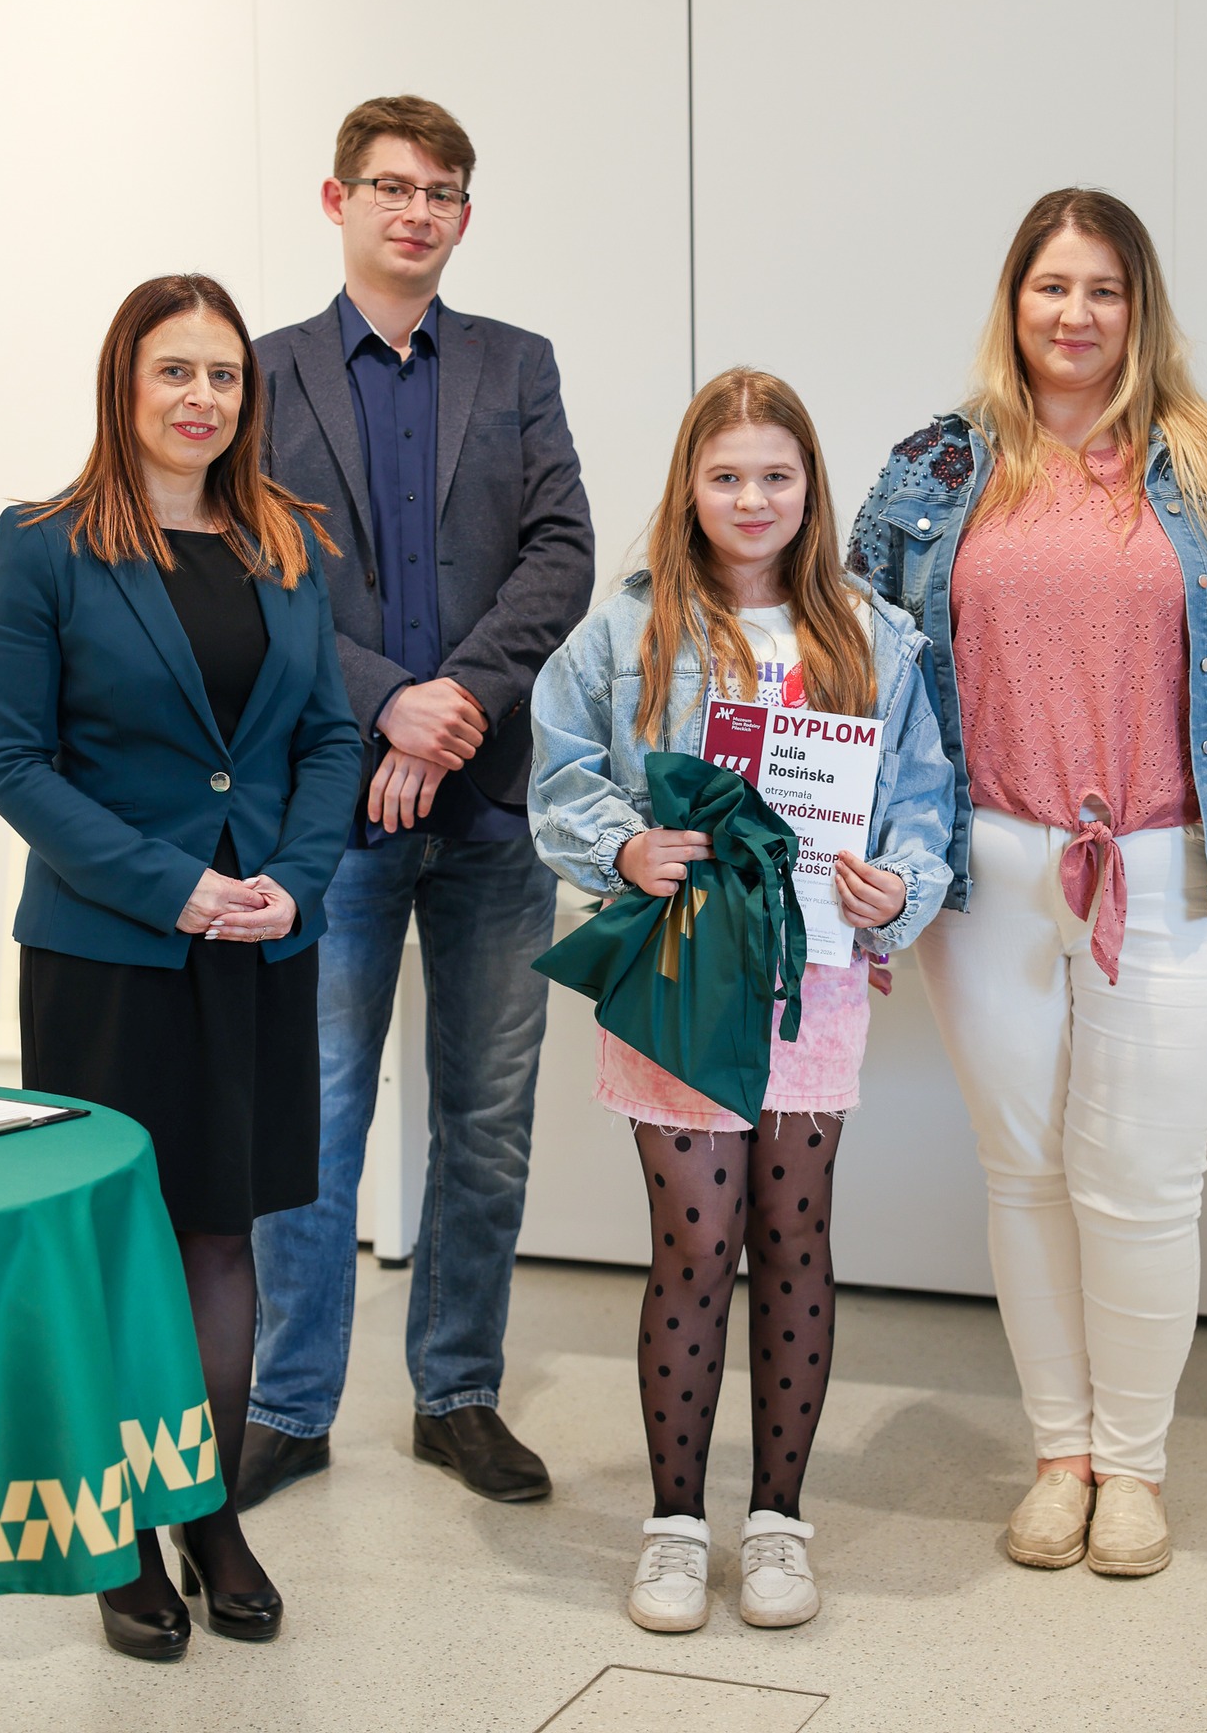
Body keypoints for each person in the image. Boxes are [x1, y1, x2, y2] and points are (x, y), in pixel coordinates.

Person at [851, 188, 1207, 1577]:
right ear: (1013, 301)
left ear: (1138, 307)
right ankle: (1060, 1455)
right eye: (1050, 285)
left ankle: (1135, 1466)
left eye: (1103, 289)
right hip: (986, 869)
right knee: (1027, 1171)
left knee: (1143, 1182)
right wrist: (854, 864)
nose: (1074, 314)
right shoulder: (933, 469)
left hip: (1179, 868)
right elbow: (854, 670)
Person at [0, 275, 361, 1659]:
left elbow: (328, 738)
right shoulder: (45, 546)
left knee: (221, 1230)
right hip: (110, 950)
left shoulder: (286, 542)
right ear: (123, 384)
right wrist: (169, 885)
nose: (202, 397)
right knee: (117, 1235)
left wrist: (293, 880)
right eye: (175, 370)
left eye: (224, 375)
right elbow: (9, 759)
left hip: (257, 937)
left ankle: (209, 1514)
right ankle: (121, 1536)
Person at [529, 370, 953, 1631]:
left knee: (793, 1236)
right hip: (682, 972)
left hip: (811, 977)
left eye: (775, 474)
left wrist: (899, 883)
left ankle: (778, 1521)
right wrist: (621, 845)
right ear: (689, 487)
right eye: (725, 476)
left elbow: (920, 797)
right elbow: (558, 767)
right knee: (695, 1244)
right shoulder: (629, 629)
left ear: (811, 487)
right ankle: (674, 1525)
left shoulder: (871, 635)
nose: (751, 498)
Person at [241, 95, 595, 1511]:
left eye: (440, 191)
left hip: (489, 810)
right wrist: (387, 697)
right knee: (316, 1115)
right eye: (391, 186)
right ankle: (286, 1403)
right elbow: (250, 569)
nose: (416, 210)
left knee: (486, 1117)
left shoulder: (516, 364)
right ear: (337, 201)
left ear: (464, 214)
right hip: (328, 812)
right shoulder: (263, 374)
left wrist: (451, 710)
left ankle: (457, 1393)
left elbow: (561, 552)